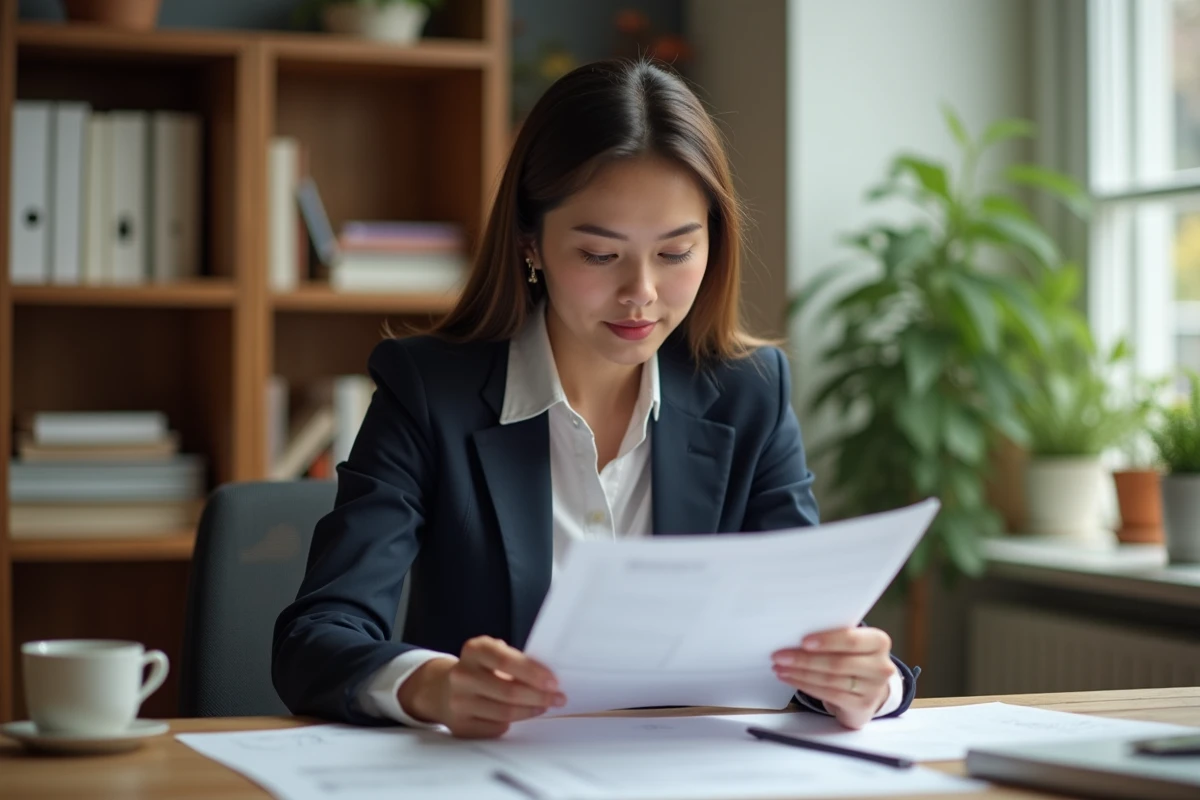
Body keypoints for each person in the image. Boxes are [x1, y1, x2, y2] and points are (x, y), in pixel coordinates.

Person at [272, 58, 918, 740]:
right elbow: (317, 637)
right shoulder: (431, 392)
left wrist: (867, 685)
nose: (640, 291)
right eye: (600, 255)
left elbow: (811, 634)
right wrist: (430, 685)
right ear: (532, 244)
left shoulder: (748, 394)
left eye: (675, 254)